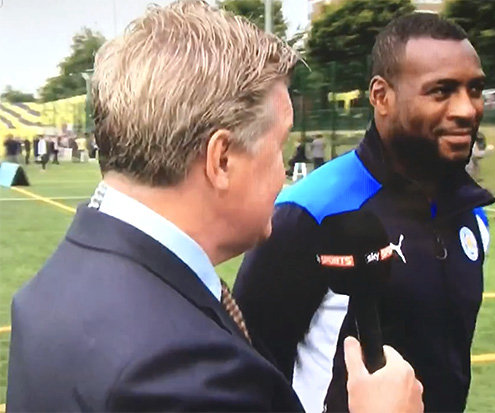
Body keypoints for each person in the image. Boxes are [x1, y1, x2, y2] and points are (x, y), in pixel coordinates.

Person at [6, 2, 423, 411]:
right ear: (221, 159)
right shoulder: (187, 374)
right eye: (278, 146)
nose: (283, 173)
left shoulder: (60, 280)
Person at [234, 12, 495, 413]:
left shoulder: (472, 215)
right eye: (441, 92)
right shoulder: (311, 213)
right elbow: (248, 370)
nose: (466, 109)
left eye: (474, 89)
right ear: (380, 96)